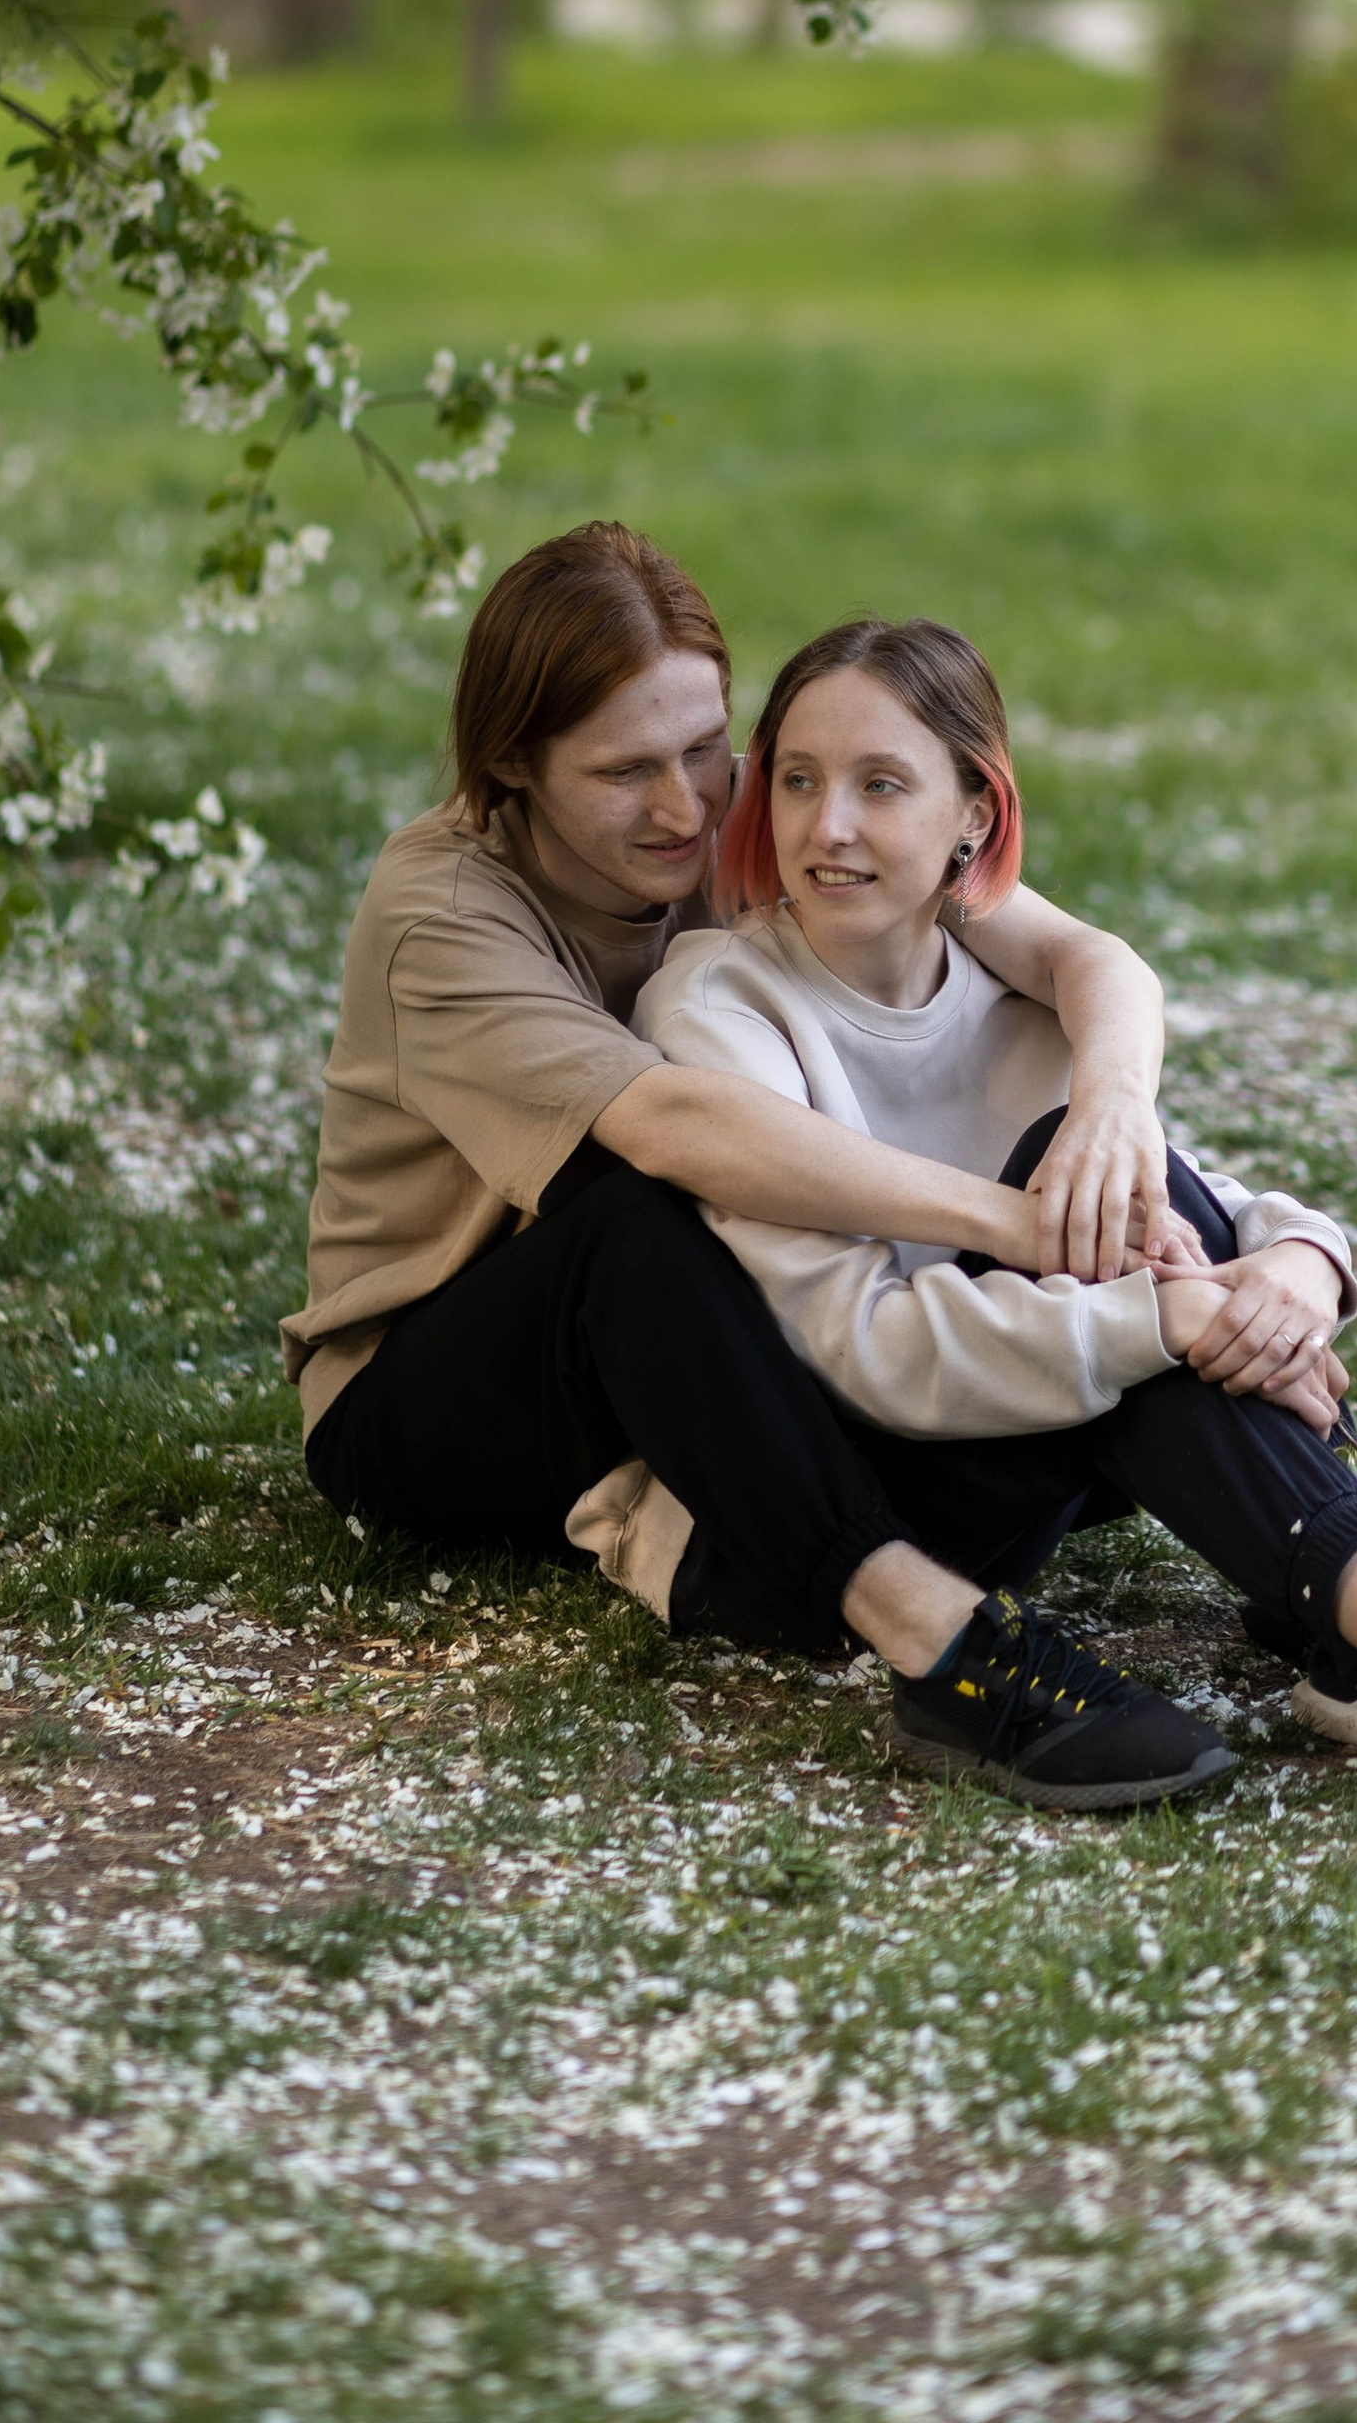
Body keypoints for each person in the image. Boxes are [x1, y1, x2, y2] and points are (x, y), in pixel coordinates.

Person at [628, 615, 1357, 1842]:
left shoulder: (1011, 988)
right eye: (797, 780)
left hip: (1003, 1439)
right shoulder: (721, 1003)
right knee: (1138, 1311)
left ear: (974, 817)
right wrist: (1161, 1313)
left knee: (1140, 1212)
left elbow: (1189, 1198)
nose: (826, 826)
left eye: (878, 784)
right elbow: (866, 1349)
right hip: (823, 1521)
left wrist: (1296, 1267)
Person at [287, 521, 1241, 1810]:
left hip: (718, 1348)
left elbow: (1078, 957)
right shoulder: (442, 911)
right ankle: (941, 1645)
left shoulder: (782, 805)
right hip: (446, 1379)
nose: (688, 807)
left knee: (1085, 1176)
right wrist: (1017, 1226)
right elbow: (678, 1131)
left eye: (703, 747)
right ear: (513, 759)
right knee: (644, 1218)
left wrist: (1114, 1112)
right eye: (625, 770)